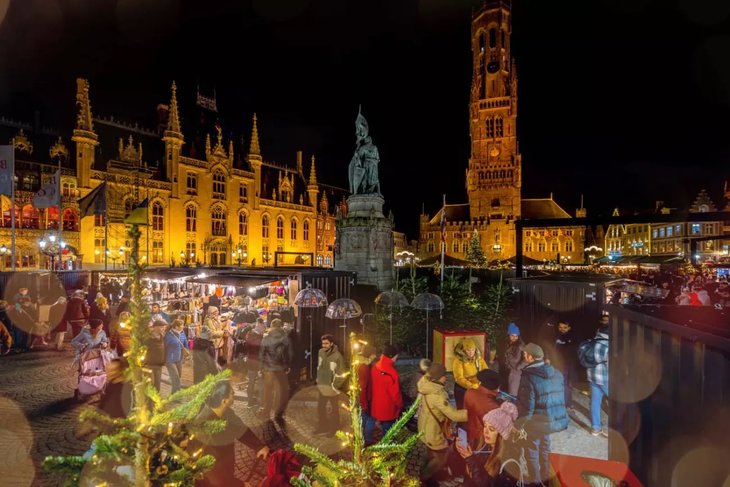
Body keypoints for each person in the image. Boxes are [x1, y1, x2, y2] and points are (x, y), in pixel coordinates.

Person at [194, 380, 270, 486]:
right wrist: (239, 484)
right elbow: (214, 472)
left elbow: (240, 430)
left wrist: (259, 446)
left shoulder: (226, 413)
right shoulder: (204, 427)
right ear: (224, 401)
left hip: (227, 471)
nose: (234, 395)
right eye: (231, 393)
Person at [516, 343, 568, 485]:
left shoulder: (529, 377)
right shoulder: (556, 373)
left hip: (536, 422)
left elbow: (527, 408)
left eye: (525, 354)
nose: (524, 355)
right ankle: (546, 479)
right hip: (551, 419)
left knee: (532, 452)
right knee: (545, 448)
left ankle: (536, 482)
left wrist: (520, 425)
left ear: (530, 357)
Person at [417, 362, 468, 486]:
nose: (446, 377)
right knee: (440, 458)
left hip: (425, 426)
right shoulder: (437, 395)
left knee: (431, 454)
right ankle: (424, 479)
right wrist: (472, 412)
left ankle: (430, 477)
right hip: (433, 432)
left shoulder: (426, 384)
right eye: (444, 375)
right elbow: (454, 415)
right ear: (438, 377)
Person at [455, 401, 526, 487]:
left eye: (491, 429)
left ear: (501, 435)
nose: (486, 431)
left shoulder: (508, 462)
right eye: (485, 426)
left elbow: (486, 484)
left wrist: (471, 459)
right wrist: (457, 449)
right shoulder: (480, 445)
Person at [258, 318, 293, 422]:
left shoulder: (266, 338)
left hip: (268, 369)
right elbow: (290, 354)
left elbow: (261, 354)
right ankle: (278, 414)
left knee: (268, 391)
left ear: (272, 326)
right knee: (280, 391)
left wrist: (261, 368)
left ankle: (267, 412)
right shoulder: (286, 338)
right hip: (281, 369)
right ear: (281, 326)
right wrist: (287, 366)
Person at [313, 334, 346, 436]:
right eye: (323, 343)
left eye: (326, 343)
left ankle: (334, 428)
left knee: (334, 409)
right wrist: (318, 379)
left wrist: (334, 386)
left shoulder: (338, 356)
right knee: (321, 407)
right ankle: (323, 426)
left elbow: (341, 374)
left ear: (331, 343)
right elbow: (319, 366)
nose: (324, 345)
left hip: (332, 388)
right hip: (322, 386)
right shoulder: (320, 352)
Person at [370, 344, 404, 439]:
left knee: (383, 424)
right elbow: (395, 394)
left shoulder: (375, 366)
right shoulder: (392, 373)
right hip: (388, 407)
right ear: (391, 356)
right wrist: (400, 405)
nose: (396, 358)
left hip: (377, 404)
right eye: (396, 356)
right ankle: (387, 446)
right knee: (388, 429)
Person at [463, 369, 502, 448]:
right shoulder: (492, 406)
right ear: (494, 387)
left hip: (471, 433)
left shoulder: (469, 392)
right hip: (484, 440)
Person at [587, 317, 610, 437]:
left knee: (595, 403)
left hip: (592, 377)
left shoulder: (591, 342)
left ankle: (595, 428)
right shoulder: (608, 346)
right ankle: (609, 429)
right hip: (605, 379)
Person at [452, 338, 489, 410]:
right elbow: (459, 378)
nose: (471, 352)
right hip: (462, 389)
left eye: (473, 350)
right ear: (464, 351)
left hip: (477, 387)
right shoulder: (458, 361)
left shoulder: (478, 358)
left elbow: (486, 371)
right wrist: (472, 386)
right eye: (468, 350)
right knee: (463, 411)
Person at [552, 319, 577, 412]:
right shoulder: (555, 337)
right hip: (556, 365)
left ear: (569, 328)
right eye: (560, 327)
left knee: (567, 385)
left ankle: (567, 403)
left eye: (564, 327)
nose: (562, 329)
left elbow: (571, 353)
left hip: (567, 365)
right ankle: (565, 403)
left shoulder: (571, 338)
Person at [356, 343, 377, 445]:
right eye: (374, 354)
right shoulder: (364, 367)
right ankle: (367, 440)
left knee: (364, 418)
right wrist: (364, 403)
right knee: (371, 418)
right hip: (366, 399)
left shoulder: (364, 365)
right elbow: (363, 387)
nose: (375, 356)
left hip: (365, 398)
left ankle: (361, 437)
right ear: (370, 354)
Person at [243, 318, 266, 409]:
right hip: (257, 362)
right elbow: (259, 348)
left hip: (251, 361)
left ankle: (252, 402)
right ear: (259, 326)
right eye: (263, 328)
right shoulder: (256, 336)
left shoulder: (249, 334)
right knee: (259, 382)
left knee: (252, 382)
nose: (264, 330)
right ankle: (258, 403)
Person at [165, 319, 189, 394]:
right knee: (175, 377)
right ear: (176, 326)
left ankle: (174, 393)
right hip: (170, 360)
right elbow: (164, 347)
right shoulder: (168, 335)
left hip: (179, 358)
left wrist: (187, 352)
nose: (183, 327)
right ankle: (177, 395)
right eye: (182, 325)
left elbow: (185, 342)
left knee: (178, 376)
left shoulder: (182, 333)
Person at [501, 323, 524, 396]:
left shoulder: (521, 345)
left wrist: (518, 367)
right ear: (508, 335)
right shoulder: (506, 343)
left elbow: (526, 359)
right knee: (505, 391)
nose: (514, 338)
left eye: (516, 336)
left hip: (516, 373)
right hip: (506, 371)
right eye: (512, 335)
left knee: (513, 393)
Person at [144, 320, 167, 391]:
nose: (163, 328)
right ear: (155, 327)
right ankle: (148, 400)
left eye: (164, 327)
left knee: (157, 383)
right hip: (150, 364)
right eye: (161, 327)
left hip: (159, 364)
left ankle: (156, 400)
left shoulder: (162, 336)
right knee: (150, 384)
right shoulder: (148, 338)